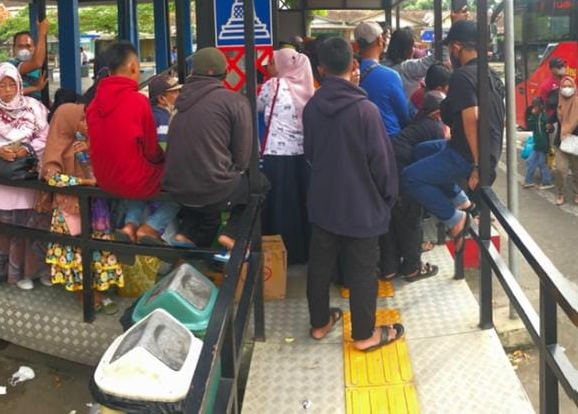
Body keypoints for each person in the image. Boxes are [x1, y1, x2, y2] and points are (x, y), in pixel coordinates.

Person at [301, 36, 402, 351]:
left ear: (320, 70)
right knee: (361, 269)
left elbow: (311, 154)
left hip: (323, 202)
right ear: (354, 66)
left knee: (319, 264)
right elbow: (382, 164)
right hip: (361, 207)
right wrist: (387, 199)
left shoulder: (312, 108)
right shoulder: (365, 111)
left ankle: (319, 323)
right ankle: (364, 335)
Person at [401, 21, 504, 247]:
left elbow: (472, 119)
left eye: (451, 49)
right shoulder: (490, 73)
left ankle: (456, 219)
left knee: (410, 177)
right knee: (421, 150)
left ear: (457, 48)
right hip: (480, 149)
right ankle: (460, 200)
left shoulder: (461, 76)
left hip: (468, 155)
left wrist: (478, 166)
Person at [163, 47, 255, 250]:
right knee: (259, 185)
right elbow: (242, 159)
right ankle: (232, 234)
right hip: (210, 188)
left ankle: (187, 237)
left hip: (177, 187)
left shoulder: (179, 102)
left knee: (208, 196)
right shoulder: (235, 101)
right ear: (218, 72)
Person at [87, 43, 176, 245]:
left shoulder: (93, 105)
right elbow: (152, 150)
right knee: (178, 186)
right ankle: (150, 227)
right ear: (134, 67)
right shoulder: (138, 102)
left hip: (105, 179)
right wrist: (162, 162)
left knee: (140, 175)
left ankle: (130, 226)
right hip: (130, 180)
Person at [0, 63, 50, 289]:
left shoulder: (34, 107)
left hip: (28, 177)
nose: (7, 90)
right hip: (3, 182)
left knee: (36, 225)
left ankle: (41, 270)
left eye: (11, 85)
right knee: (10, 230)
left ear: (19, 84)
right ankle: (17, 275)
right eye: (2, 85)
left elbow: (46, 137)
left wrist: (26, 149)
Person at [43, 100, 123, 311]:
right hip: (70, 209)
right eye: (81, 119)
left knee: (97, 250)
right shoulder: (58, 144)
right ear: (68, 121)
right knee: (78, 253)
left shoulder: (85, 140)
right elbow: (52, 178)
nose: (87, 123)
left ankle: (98, 288)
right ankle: (85, 293)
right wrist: (84, 183)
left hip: (95, 209)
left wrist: (92, 143)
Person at [258, 47, 314, 264]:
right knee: (300, 202)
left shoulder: (273, 85)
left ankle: (282, 255)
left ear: (282, 65)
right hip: (301, 154)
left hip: (276, 153)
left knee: (280, 205)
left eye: (272, 63)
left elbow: (258, 106)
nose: (269, 67)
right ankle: (303, 251)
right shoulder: (308, 86)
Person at [386, 91, 447, 282]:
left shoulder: (417, 123)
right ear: (437, 113)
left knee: (393, 222)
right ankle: (412, 269)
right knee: (412, 221)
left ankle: (389, 268)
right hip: (405, 176)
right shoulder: (435, 128)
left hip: (387, 173)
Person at [354, 22, 410, 137]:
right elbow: (404, 116)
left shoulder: (351, 74)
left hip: (359, 139)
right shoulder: (391, 76)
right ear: (380, 40)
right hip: (389, 140)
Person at [553, 75, 578, 206]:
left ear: (574, 88)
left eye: (569, 86)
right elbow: (552, 118)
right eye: (564, 86)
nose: (566, 89)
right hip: (561, 142)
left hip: (576, 143)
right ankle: (561, 194)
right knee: (559, 169)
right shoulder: (558, 103)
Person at [384, 27, 437, 101]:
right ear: (406, 49)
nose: (414, 49)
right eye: (413, 46)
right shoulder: (407, 68)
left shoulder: (383, 65)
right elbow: (434, 59)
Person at [9, 20, 50, 97]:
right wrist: (42, 33)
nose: (24, 49)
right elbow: (37, 62)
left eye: (28, 46)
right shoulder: (11, 65)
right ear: (14, 48)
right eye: (20, 46)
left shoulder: (38, 70)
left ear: (34, 48)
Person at [523, 97, 554, 190]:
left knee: (542, 163)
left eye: (535, 107)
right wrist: (532, 116)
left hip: (543, 145)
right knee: (531, 161)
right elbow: (530, 126)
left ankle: (547, 182)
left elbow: (550, 129)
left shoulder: (544, 117)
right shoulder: (535, 117)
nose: (534, 109)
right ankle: (528, 181)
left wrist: (550, 127)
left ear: (540, 107)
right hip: (537, 145)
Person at [148, 75, 181, 145]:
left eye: (179, 91)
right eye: (174, 92)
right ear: (161, 99)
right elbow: (164, 148)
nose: (179, 94)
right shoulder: (164, 120)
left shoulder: (152, 114)